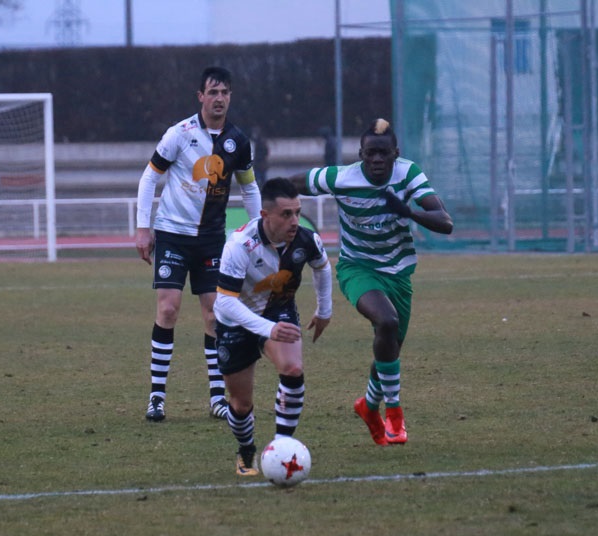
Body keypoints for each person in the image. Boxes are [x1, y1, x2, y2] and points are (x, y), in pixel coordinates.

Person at [290, 118, 453, 446]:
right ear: (360, 154)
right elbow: (291, 183)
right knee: (386, 321)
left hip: (399, 272)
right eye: (371, 154)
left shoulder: (408, 173)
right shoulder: (340, 177)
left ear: (396, 153)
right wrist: (270, 207)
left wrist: (408, 211)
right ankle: (394, 416)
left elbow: (445, 222)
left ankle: (368, 405)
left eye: (384, 154)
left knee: (390, 347)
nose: (377, 160)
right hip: (357, 268)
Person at [135, 66, 262, 422]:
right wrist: (143, 229)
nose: (219, 98)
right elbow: (150, 178)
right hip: (173, 234)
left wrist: (256, 234)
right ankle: (157, 397)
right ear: (200, 96)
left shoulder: (239, 141)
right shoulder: (180, 134)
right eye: (213, 92)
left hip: (211, 240)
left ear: (230, 97)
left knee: (214, 315)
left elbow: (249, 187)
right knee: (169, 309)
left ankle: (217, 399)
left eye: (225, 92)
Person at [214, 178, 332, 475]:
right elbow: (226, 303)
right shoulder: (240, 245)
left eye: (297, 212)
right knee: (240, 404)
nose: (295, 220)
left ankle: (282, 446)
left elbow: (322, 267)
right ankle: (246, 449)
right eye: (286, 214)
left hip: (279, 310)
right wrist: (267, 329)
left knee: (292, 368)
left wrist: (324, 310)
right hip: (235, 321)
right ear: (265, 216)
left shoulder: (306, 239)